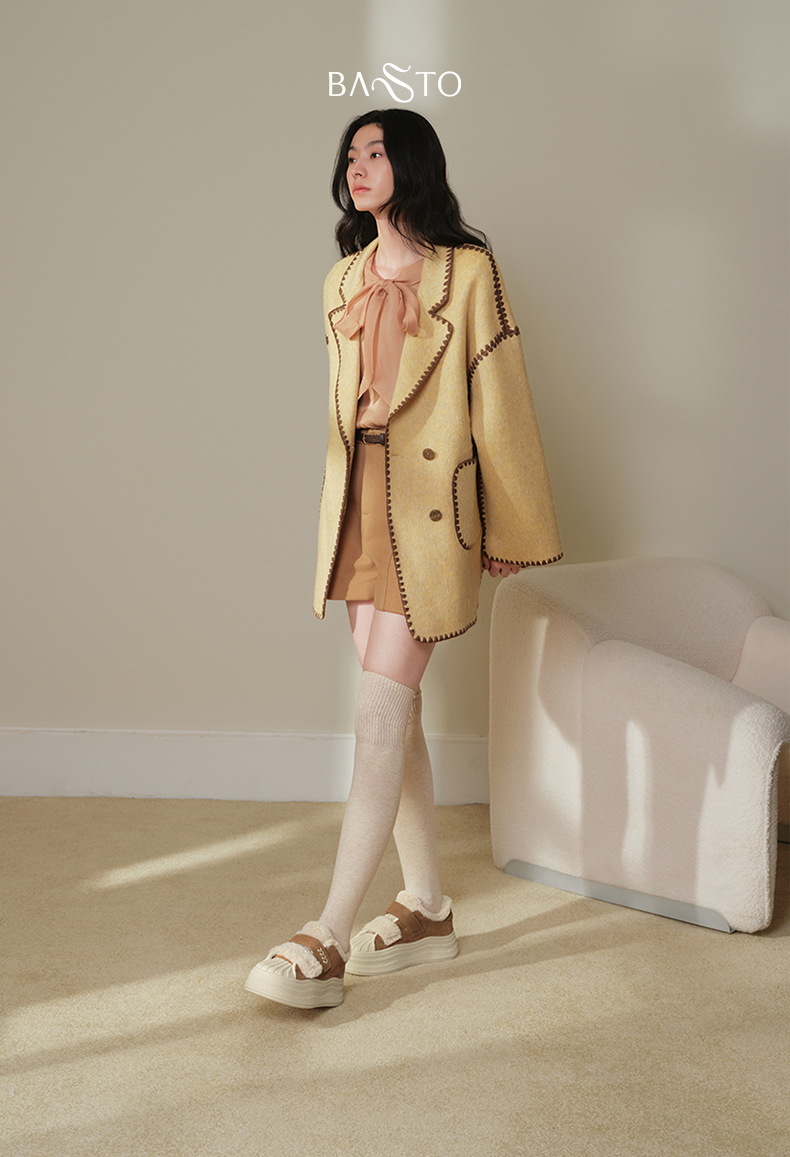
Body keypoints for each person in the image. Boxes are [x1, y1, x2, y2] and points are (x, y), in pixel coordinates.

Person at [245, 109, 562, 1009]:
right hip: (358, 500)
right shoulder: (342, 278)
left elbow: (501, 399)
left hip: (432, 508)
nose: (359, 166)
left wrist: (510, 528)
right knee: (397, 707)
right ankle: (426, 905)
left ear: (412, 164)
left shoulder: (469, 273)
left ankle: (328, 932)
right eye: (351, 155)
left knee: (380, 708)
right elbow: (346, 412)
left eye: (376, 152)